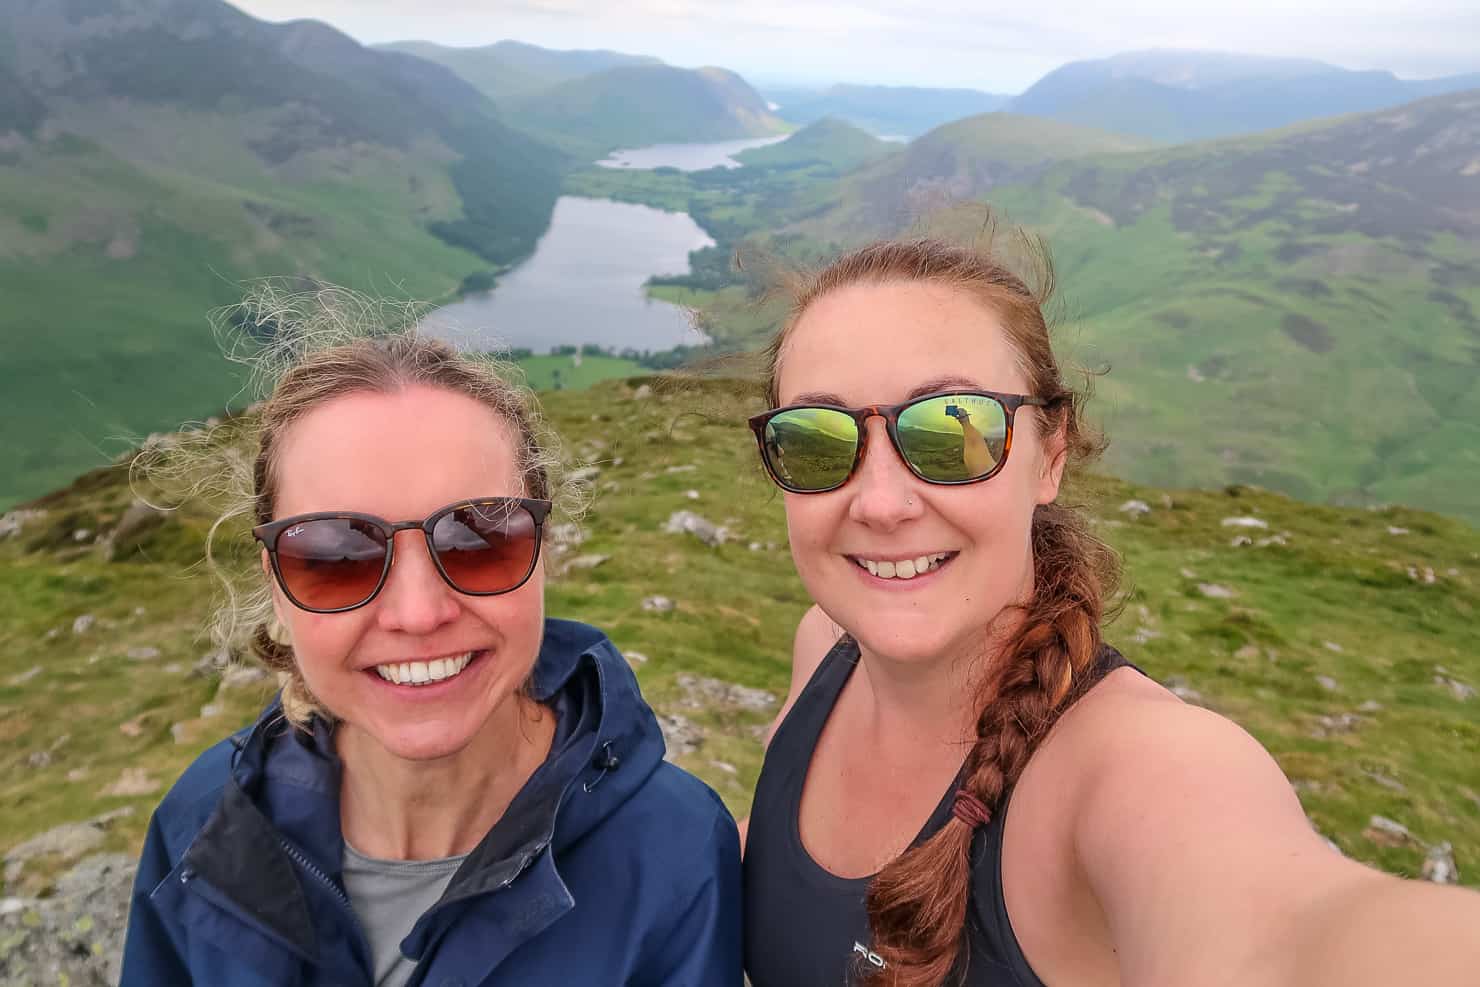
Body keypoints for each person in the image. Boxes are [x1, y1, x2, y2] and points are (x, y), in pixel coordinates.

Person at [739, 232, 1480, 986]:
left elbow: (1295, 939)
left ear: (1050, 453)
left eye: (951, 430)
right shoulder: (824, 649)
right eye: (817, 441)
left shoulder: (1136, 772)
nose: (882, 502)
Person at [120, 304, 741, 986]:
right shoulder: (204, 826)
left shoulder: (673, 855)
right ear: (276, 586)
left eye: (479, 537)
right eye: (335, 554)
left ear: (544, 551)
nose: (418, 614)